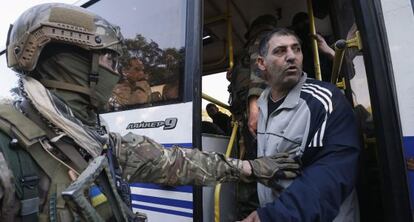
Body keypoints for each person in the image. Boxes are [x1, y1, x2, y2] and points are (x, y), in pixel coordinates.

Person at [0, 3, 301, 221]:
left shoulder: (98, 141)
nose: (116, 76)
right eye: (109, 62)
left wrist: (250, 168)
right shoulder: (8, 150)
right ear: (76, 67)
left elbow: (176, 163)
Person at [241, 28, 360, 222]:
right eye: (280, 51)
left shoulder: (325, 100)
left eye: (296, 49)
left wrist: (271, 216)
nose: (291, 57)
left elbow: (329, 175)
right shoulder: (263, 103)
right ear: (261, 63)